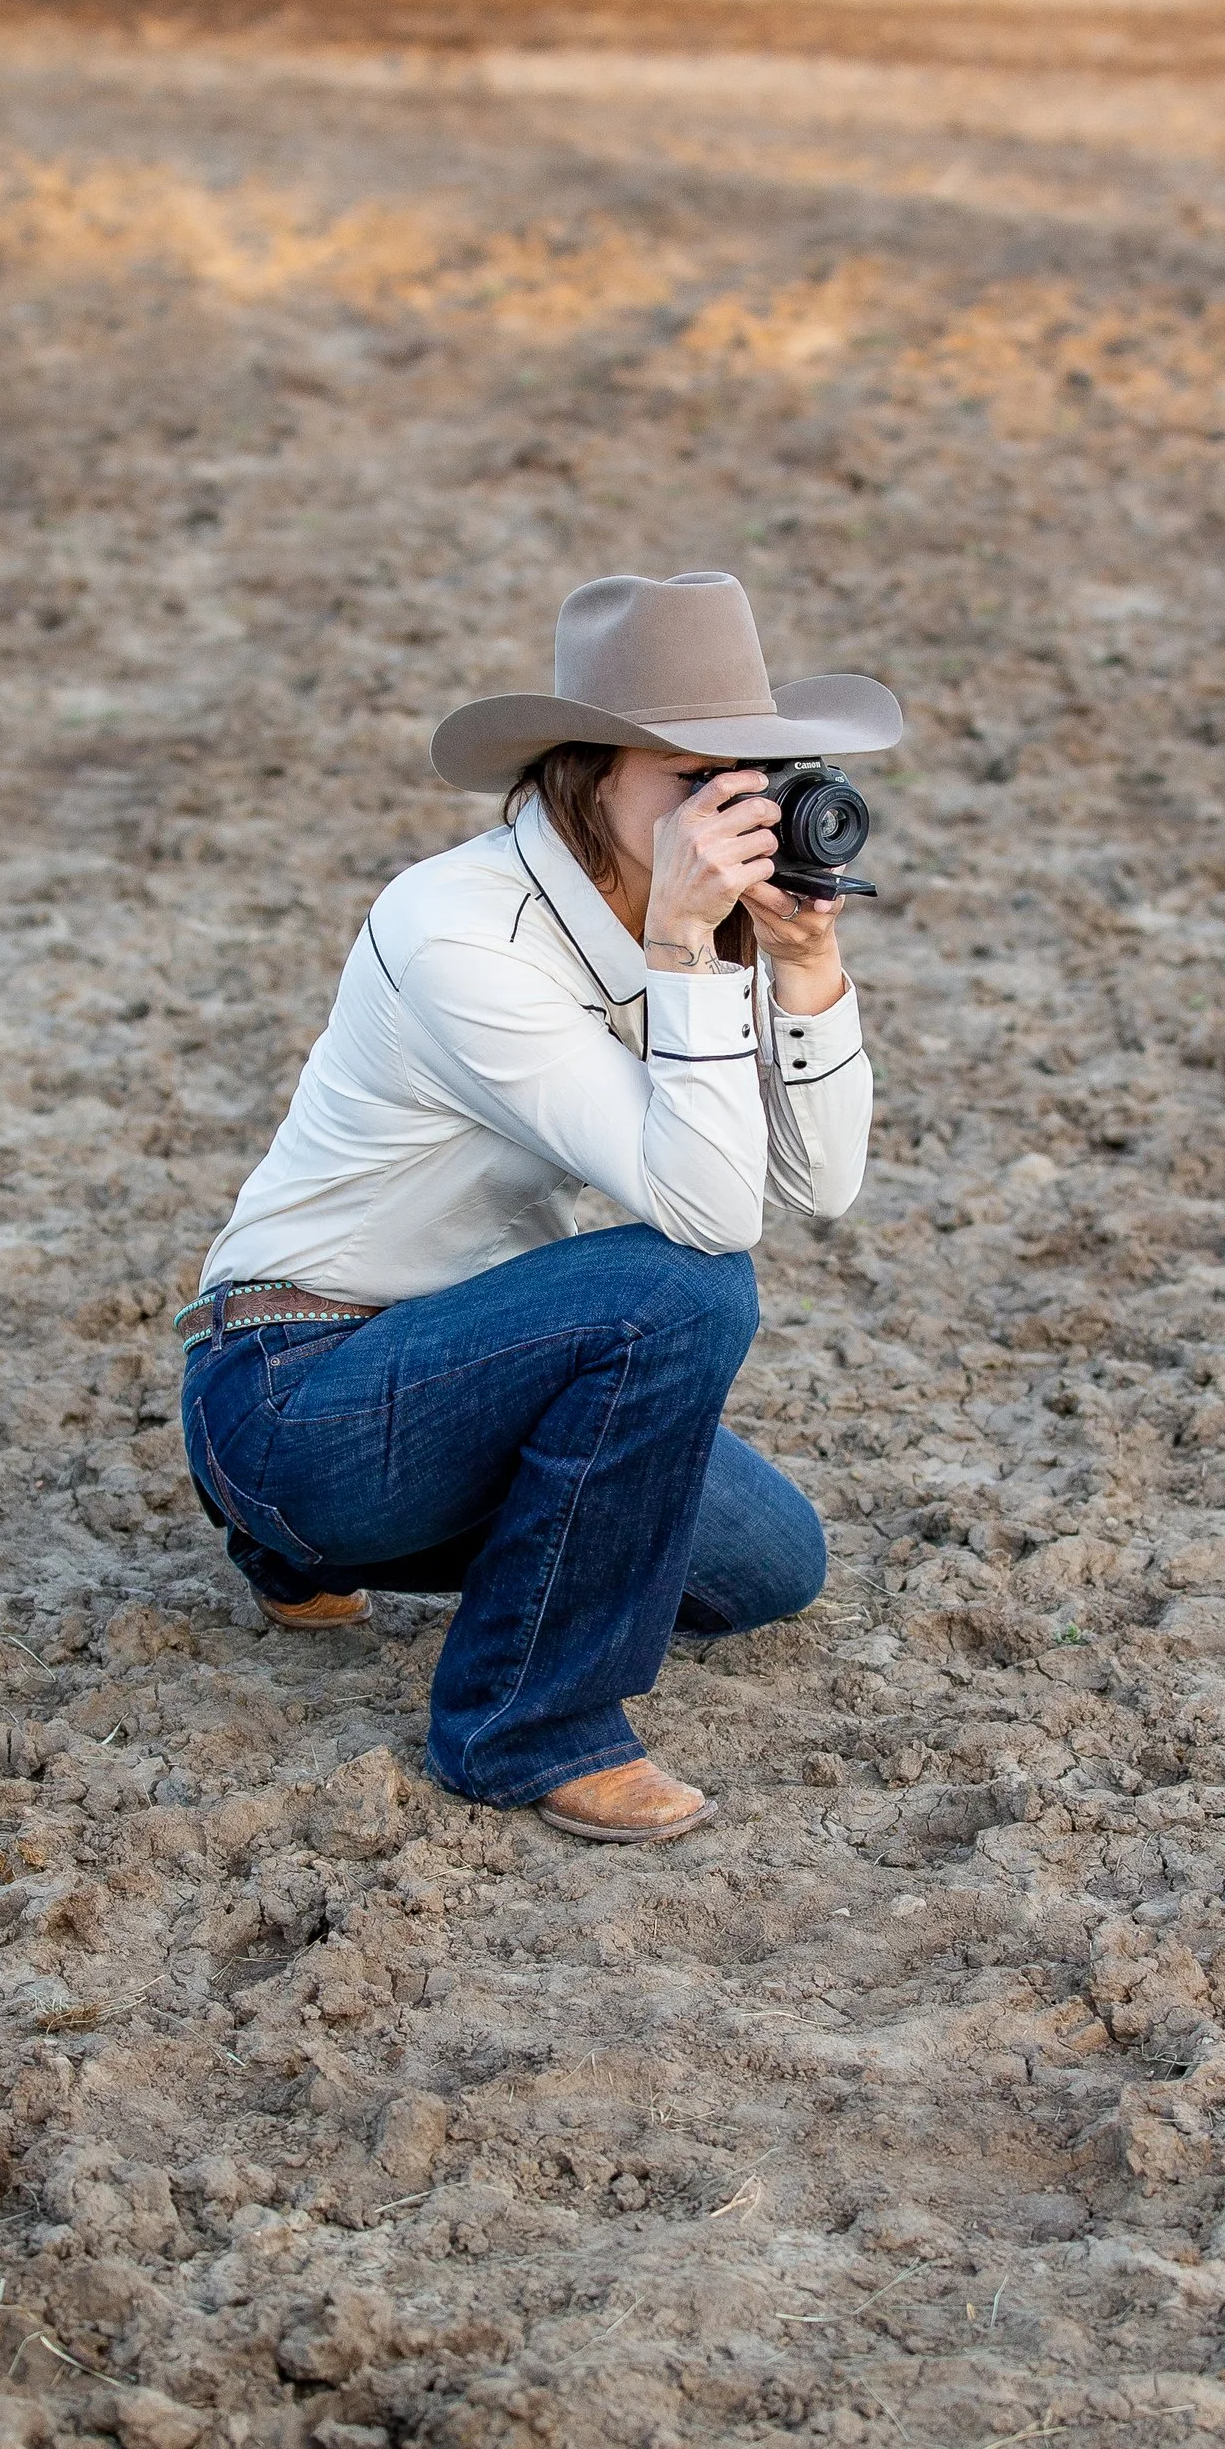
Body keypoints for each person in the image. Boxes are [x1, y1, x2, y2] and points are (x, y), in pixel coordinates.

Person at [175, 570, 900, 1845]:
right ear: (583, 773)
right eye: (690, 777)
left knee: (774, 1571)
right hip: (292, 1383)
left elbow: (819, 1186)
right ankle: (527, 1725)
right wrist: (685, 950)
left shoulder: (694, 916)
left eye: (749, 774)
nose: (727, 811)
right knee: (678, 1287)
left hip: (472, 1363)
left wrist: (801, 964)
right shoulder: (459, 927)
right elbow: (711, 1221)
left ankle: (314, 1558)